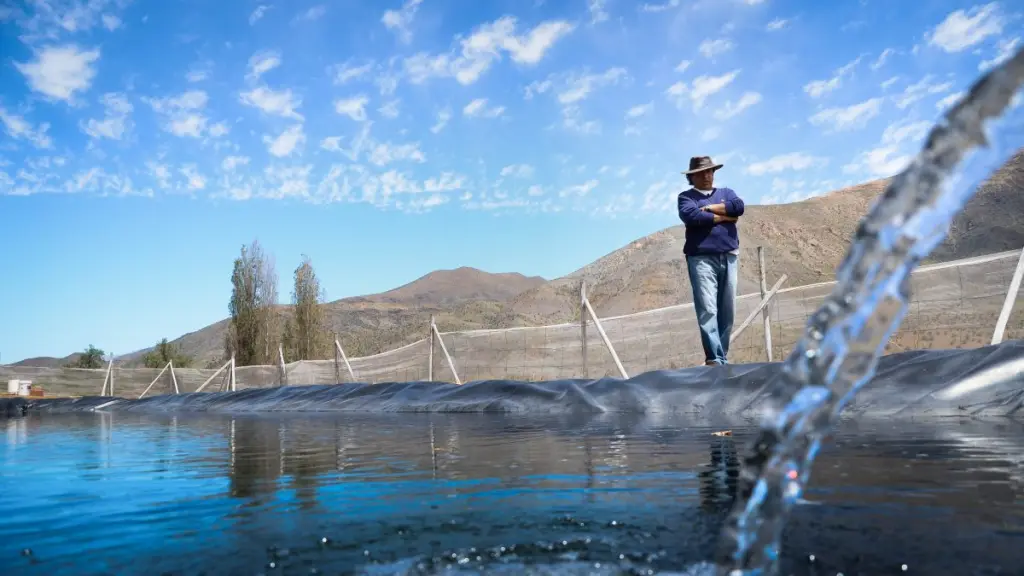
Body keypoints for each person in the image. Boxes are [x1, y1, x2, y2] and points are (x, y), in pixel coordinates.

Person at [676, 156, 745, 366]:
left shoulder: (727, 193)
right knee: (708, 309)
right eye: (702, 173)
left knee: (727, 309)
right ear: (692, 176)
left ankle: (722, 356)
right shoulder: (686, 197)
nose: (707, 176)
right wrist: (725, 215)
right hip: (701, 258)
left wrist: (709, 209)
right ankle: (714, 359)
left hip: (729, 255)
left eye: (710, 171)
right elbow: (692, 217)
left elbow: (739, 207)